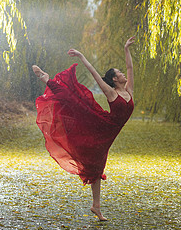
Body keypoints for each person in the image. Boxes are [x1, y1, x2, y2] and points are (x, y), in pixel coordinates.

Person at [32, 36, 135, 221]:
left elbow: (130, 68)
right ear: (114, 78)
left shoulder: (129, 90)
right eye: (119, 73)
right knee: (75, 102)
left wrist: (126, 48)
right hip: (101, 125)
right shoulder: (112, 93)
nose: (123, 74)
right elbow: (95, 73)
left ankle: (96, 206)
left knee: (97, 164)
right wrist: (81, 56)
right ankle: (48, 80)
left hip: (108, 134)